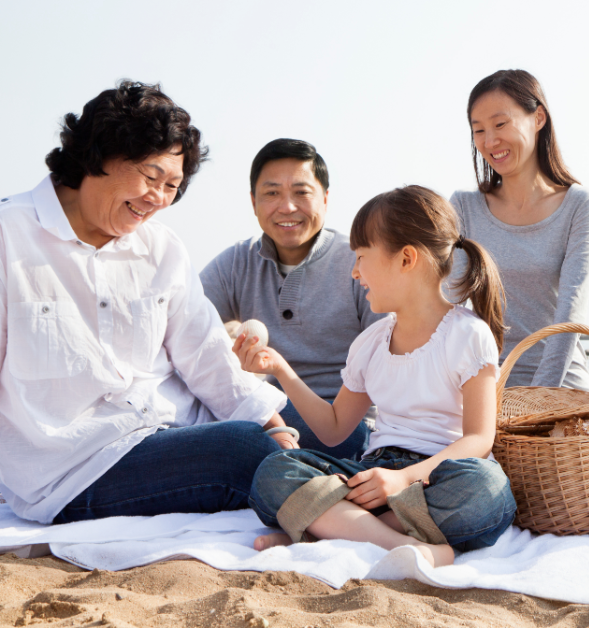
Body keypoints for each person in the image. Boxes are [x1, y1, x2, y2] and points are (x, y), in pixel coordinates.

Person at [0, 81, 296, 525]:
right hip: (78, 466)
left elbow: (205, 353)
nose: (158, 198)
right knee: (244, 449)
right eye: (150, 176)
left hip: (175, 428)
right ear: (98, 155)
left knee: (327, 436)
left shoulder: (162, 247)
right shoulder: (11, 235)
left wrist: (272, 422)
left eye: (172, 186)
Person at [241, 186, 516, 566]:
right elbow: (335, 428)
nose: (354, 272)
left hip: (437, 475)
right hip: (373, 473)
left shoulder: (468, 334)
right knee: (275, 471)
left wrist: (404, 481)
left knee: (487, 488)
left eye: (361, 257)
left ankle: (334, 531)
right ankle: (398, 543)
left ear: (406, 259)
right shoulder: (370, 343)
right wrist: (281, 371)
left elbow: (479, 439)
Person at [201, 139, 384, 458]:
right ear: (253, 201)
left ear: (325, 199)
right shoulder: (236, 263)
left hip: (348, 425)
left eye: (301, 192)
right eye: (272, 193)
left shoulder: (358, 262)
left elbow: (393, 360)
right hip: (267, 414)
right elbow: (183, 322)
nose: (287, 207)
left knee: (244, 437)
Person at [450, 69, 589, 391]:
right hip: (485, 384)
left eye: (501, 124)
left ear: (538, 118)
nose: (490, 142)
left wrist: (538, 399)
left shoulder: (579, 206)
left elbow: (570, 311)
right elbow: (451, 300)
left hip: (561, 387)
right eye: (479, 130)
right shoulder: (463, 207)